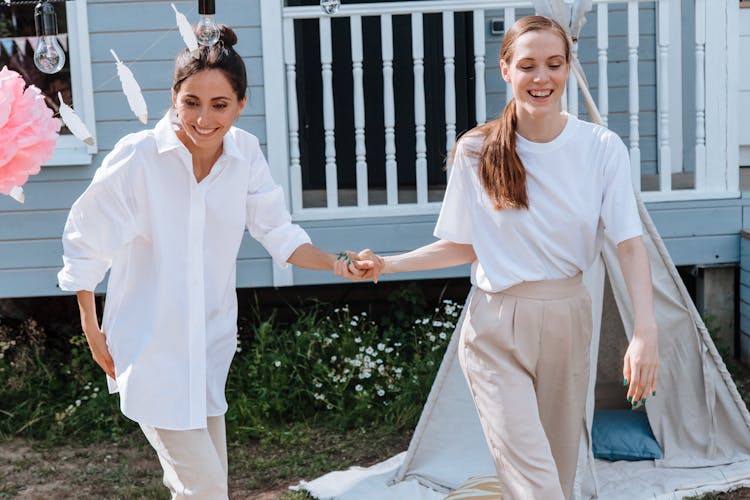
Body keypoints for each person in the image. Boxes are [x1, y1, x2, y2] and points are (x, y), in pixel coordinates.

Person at [340, 15, 659, 500]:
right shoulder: (477, 150)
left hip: (569, 316)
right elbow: (465, 244)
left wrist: (644, 332)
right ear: (505, 69)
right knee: (537, 486)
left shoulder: (601, 148)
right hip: (495, 327)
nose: (541, 78)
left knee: (557, 472)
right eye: (527, 65)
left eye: (554, 64)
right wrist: (388, 263)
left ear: (569, 67)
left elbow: (629, 244)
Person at [57, 25, 368, 499]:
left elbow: (279, 234)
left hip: (208, 351)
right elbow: (85, 238)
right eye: (191, 103)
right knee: (205, 490)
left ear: (241, 104)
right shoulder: (138, 157)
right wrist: (91, 328)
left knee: (202, 488)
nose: (203, 119)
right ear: (174, 99)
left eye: (219, 105)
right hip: (149, 351)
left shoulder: (245, 154)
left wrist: (335, 262)